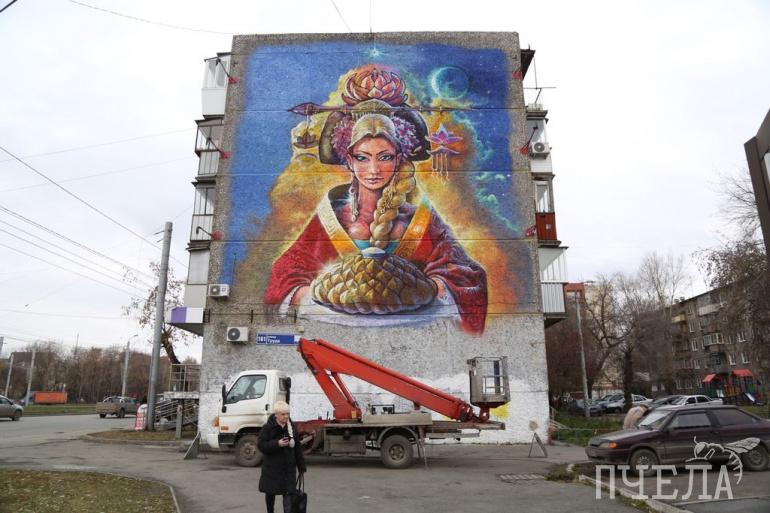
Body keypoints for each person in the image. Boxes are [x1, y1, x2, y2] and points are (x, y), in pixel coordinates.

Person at [264, 99, 488, 333]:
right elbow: (285, 274)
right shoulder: (330, 218)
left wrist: (425, 289)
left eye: (384, 157)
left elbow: (465, 275)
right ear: (349, 161)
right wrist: (327, 294)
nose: (373, 170)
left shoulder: (422, 219)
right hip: (336, 333)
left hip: (412, 335)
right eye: (362, 158)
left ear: (398, 159)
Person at [258, 401, 306, 513]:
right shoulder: (267, 428)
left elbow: (297, 448)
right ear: (276, 415)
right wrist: (277, 444)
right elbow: (261, 445)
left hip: (288, 469)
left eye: (287, 414)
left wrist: (301, 465)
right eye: (283, 414)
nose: (286, 416)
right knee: (270, 494)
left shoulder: (292, 427)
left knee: (288, 495)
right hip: (272, 469)